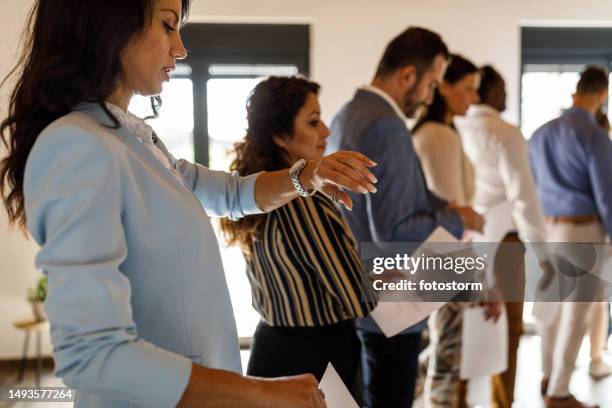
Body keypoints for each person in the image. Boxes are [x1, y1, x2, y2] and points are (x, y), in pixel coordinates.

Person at [0, 1, 379, 407]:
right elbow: (92, 355)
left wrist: (309, 175)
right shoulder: (78, 144)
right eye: (168, 26)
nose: (180, 49)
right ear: (107, 24)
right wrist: (260, 392)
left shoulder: (134, 140)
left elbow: (231, 193)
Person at [329, 27, 485, 408]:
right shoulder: (387, 125)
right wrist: (456, 217)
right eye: (432, 84)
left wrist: (444, 207)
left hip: (360, 292)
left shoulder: (346, 114)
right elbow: (394, 230)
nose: (432, 96)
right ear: (408, 76)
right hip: (393, 298)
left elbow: (396, 194)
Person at [219, 76, 376, 390]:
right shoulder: (305, 201)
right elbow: (357, 298)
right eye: (314, 122)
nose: (326, 132)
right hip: (314, 362)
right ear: (280, 136)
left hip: (272, 350)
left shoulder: (257, 189)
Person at [454, 64, 550, 407]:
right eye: (503, 89)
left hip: (461, 239)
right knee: (507, 329)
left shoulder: (456, 127)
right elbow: (524, 197)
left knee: (460, 327)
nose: (507, 95)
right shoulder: (506, 133)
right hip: (506, 244)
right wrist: (542, 251)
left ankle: (458, 400)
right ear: (488, 93)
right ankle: (501, 401)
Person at [412, 54, 501, 408]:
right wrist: (482, 281)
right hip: (442, 260)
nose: (475, 98)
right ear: (443, 87)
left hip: (437, 258)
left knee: (440, 353)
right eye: (467, 89)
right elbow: (452, 220)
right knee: (448, 359)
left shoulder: (439, 133)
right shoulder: (437, 136)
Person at [529, 65, 612, 408]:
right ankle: (559, 392)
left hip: (548, 229)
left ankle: (548, 376)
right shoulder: (593, 135)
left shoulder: (540, 134)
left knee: (550, 311)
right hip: (583, 230)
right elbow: (607, 195)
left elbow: (531, 186)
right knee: (576, 314)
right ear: (603, 95)